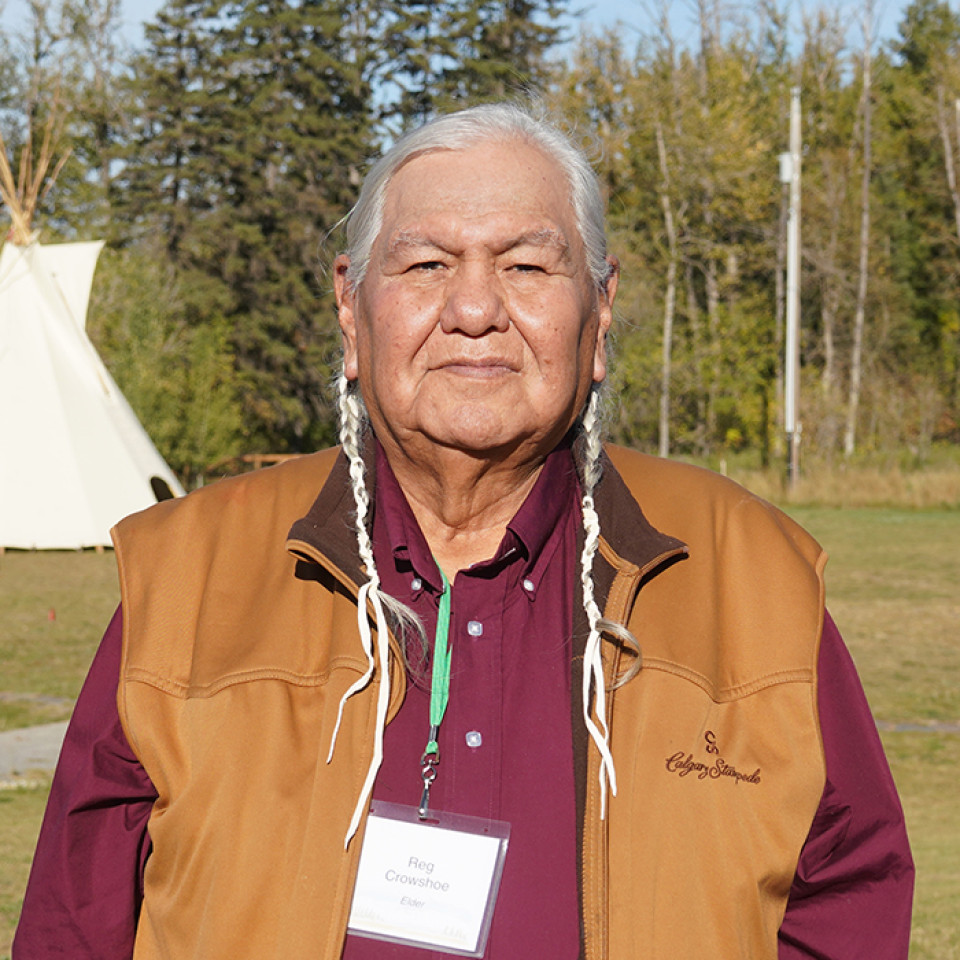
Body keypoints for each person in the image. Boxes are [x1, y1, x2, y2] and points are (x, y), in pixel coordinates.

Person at [15, 102, 913, 960]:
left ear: (598, 315)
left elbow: (849, 894)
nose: (475, 309)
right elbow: (74, 921)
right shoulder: (185, 579)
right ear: (350, 311)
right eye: (426, 266)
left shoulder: (755, 581)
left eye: (526, 266)